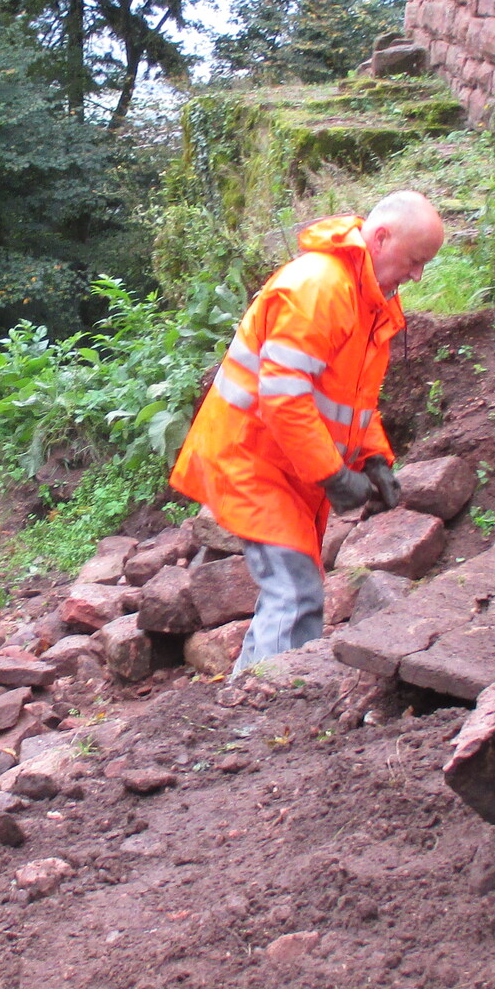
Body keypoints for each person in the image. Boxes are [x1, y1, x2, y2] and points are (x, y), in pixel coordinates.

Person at [169, 190, 447, 674]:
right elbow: (284, 398)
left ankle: (251, 697)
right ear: (382, 238)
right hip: (252, 460)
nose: (417, 275)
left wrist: (374, 458)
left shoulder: (364, 298)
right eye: (415, 260)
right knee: (296, 593)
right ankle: (264, 704)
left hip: (282, 465)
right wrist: (333, 475)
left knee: (295, 591)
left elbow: (353, 401)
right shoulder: (319, 288)